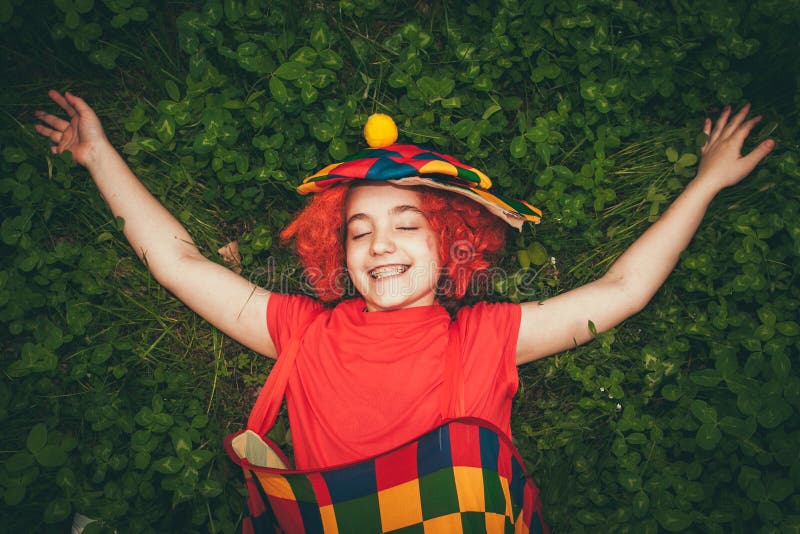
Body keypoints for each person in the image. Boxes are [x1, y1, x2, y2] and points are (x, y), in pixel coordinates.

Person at [35, 90, 773, 531]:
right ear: (336, 247)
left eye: (406, 225)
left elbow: (621, 292)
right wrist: (97, 153)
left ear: (452, 240)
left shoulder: (488, 338)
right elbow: (179, 265)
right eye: (358, 230)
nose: (379, 245)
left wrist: (704, 184)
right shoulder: (299, 330)